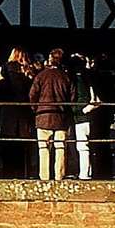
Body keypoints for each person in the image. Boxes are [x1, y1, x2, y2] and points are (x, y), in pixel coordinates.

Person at [29, 47, 74, 181]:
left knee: (43, 148)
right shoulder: (65, 77)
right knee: (60, 148)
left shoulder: (41, 76)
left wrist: (36, 109)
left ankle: (44, 177)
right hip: (60, 117)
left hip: (43, 115)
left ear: (50, 60)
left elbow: (32, 95)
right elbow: (72, 97)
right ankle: (59, 176)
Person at [0, 49, 34, 175]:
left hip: (8, 112)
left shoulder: (5, 69)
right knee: (23, 146)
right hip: (24, 112)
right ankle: (23, 172)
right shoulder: (28, 70)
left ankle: (8, 172)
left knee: (8, 144)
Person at [67, 50, 100, 179]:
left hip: (80, 115)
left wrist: (79, 109)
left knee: (82, 146)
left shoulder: (76, 79)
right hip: (88, 113)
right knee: (88, 145)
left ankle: (84, 173)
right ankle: (89, 172)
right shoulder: (90, 76)